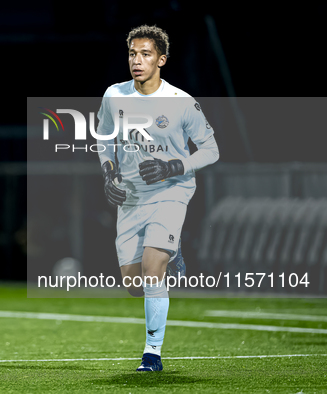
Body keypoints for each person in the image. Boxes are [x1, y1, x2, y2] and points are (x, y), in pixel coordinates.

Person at [96, 25, 219, 372]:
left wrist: (174, 166)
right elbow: (104, 141)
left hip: (171, 192)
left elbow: (211, 150)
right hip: (131, 198)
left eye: (146, 54)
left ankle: (152, 354)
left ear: (161, 59)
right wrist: (108, 174)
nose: (137, 60)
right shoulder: (114, 95)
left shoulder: (181, 103)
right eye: (133, 54)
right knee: (135, 285)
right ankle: (174, 251)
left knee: (152, 273)